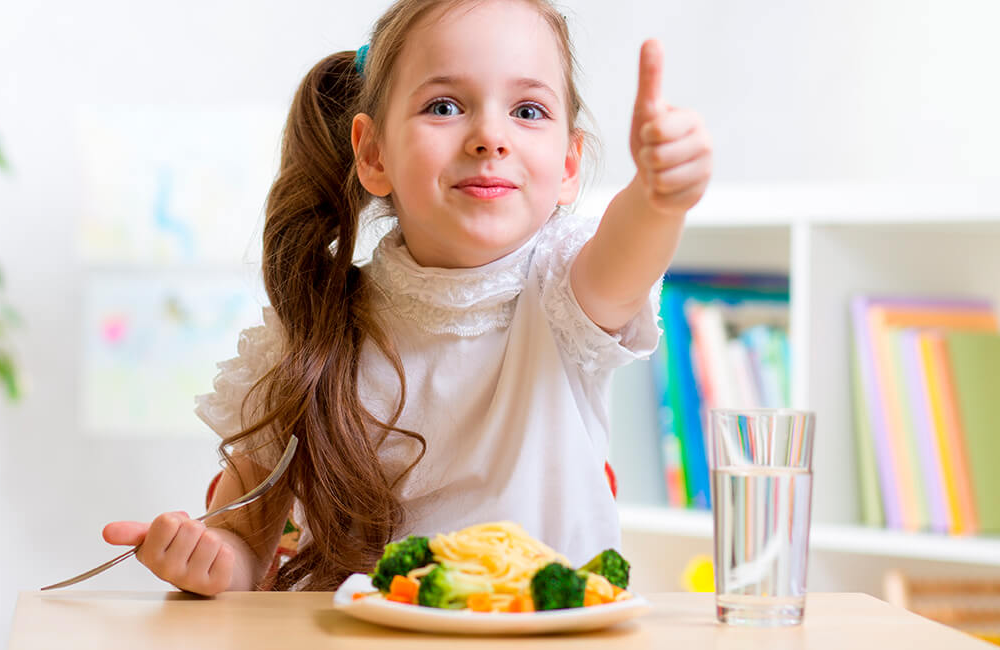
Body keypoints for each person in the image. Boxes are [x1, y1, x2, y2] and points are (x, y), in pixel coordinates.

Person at [102, 0, 711, 596]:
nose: (490, 136)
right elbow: (241, 548)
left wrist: (659, 199)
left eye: (528, 110)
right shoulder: (314, 327)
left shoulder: (565, 290)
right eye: (444, 106)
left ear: (570, 164)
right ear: (373, 153)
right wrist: (209, 558)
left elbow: (626, 257)